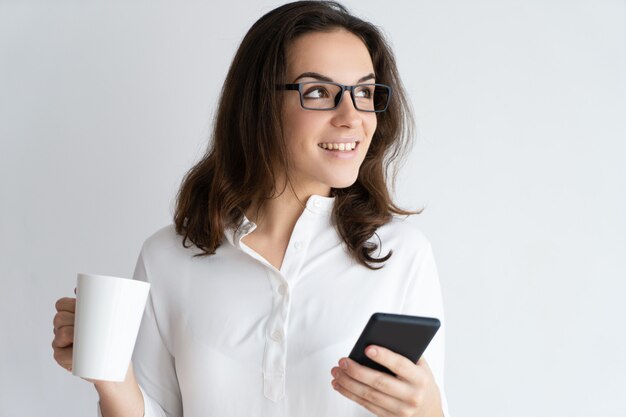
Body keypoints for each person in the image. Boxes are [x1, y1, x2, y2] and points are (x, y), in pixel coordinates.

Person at [52, 1, 450, 416]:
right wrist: (110, 375)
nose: (352, 118)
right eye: (318, 92)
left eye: (365, 92)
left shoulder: (402, 255)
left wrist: (428, 412)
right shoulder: (166, 256)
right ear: (258, 105)